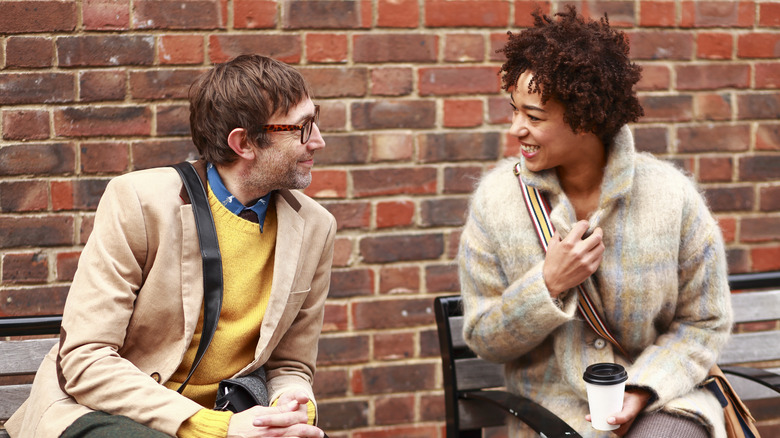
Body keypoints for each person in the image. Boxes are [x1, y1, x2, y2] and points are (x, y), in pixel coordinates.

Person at [7, 55, 335, 438]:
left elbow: (290, 366)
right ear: (244, 142)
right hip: (102, 412)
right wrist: (216, 428)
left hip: (233, 420)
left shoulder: (315, 227)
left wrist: (292, 406)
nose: (318, 140)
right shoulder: (139, 201)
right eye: (302, 127)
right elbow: (85, 360)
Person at [458, 6, 732, 438]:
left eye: (534, 116)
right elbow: (483, 338)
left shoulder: (671, 196)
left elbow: (703, 322)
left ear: (586, 117)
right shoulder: (496, 202)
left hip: (664, 400)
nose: (515, 129)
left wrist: (644, 389)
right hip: (553, 412)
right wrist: (547, 284)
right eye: (514, 110)